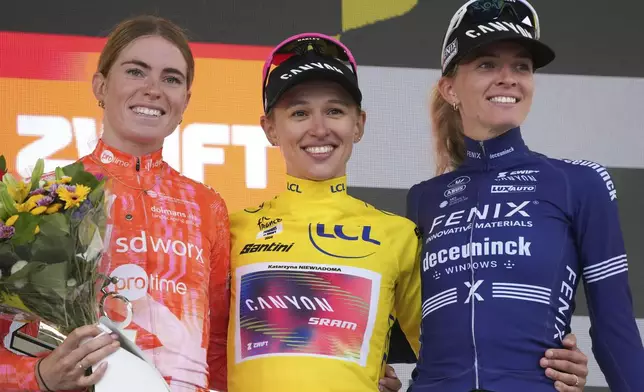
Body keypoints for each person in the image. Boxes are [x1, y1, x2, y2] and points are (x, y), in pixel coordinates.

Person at [406, 0, 644, 391]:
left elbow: (615, 330)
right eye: (486, 64)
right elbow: (402, 330)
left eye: (521, 66)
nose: (508, 78)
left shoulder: (580, 182)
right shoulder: (423, 199)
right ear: (450, 88)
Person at [0, 15, 230, 392]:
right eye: (136, 72)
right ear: (101, 86)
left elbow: (218, 349)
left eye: (171, 78)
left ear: (185, 101)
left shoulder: (208, 207)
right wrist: (39, 377)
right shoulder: (42, 197)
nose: (154, 89)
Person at [225, 33, 422, 392]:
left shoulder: (399, 235)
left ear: (358, 124)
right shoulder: (231, 230)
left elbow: (448, 359)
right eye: (299, 112)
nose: (319, 128)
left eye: (335, 110)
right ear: (270, 127)